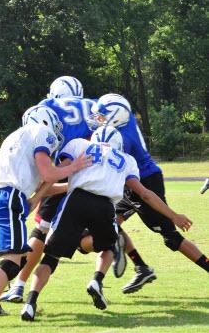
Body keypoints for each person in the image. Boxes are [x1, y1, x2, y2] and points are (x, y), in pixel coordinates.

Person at [21, 126, 192, 321]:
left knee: (51, 257)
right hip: (105, 205)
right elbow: (145, 194)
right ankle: (96, 280)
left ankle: (30, 303)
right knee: (110, 246)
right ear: (119, 144)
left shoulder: (79, 144)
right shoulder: (127, 160)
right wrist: (173, 216)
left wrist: (37, 195)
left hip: (76, 200)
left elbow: (55, 174)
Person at [0, 105, 91, 329]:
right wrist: (74, 167)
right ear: (44, 120)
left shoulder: (17, 137)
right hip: (10, 197)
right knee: (13, 261)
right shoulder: (41, 132)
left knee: (18, 255)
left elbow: (44, 185)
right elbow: (48, 174)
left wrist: (67, 185)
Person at [87, 94, 209, 287]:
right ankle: (140, 268)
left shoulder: (121, 138)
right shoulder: (122, 124)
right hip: (130, 182)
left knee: (171, 238)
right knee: (110, 223)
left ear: (115, 116)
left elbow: (112, 170)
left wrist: (174, 215)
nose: (98, 120)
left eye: (102, 116)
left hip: (144, 182)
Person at [1, 75, 95, 303]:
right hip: (87, 173)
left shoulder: (46, 107)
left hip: (59, 170)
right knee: (67, 232)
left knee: (41, 231)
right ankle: (104, 240)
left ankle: (19, 286)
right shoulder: (92, 106)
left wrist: (38, 194)